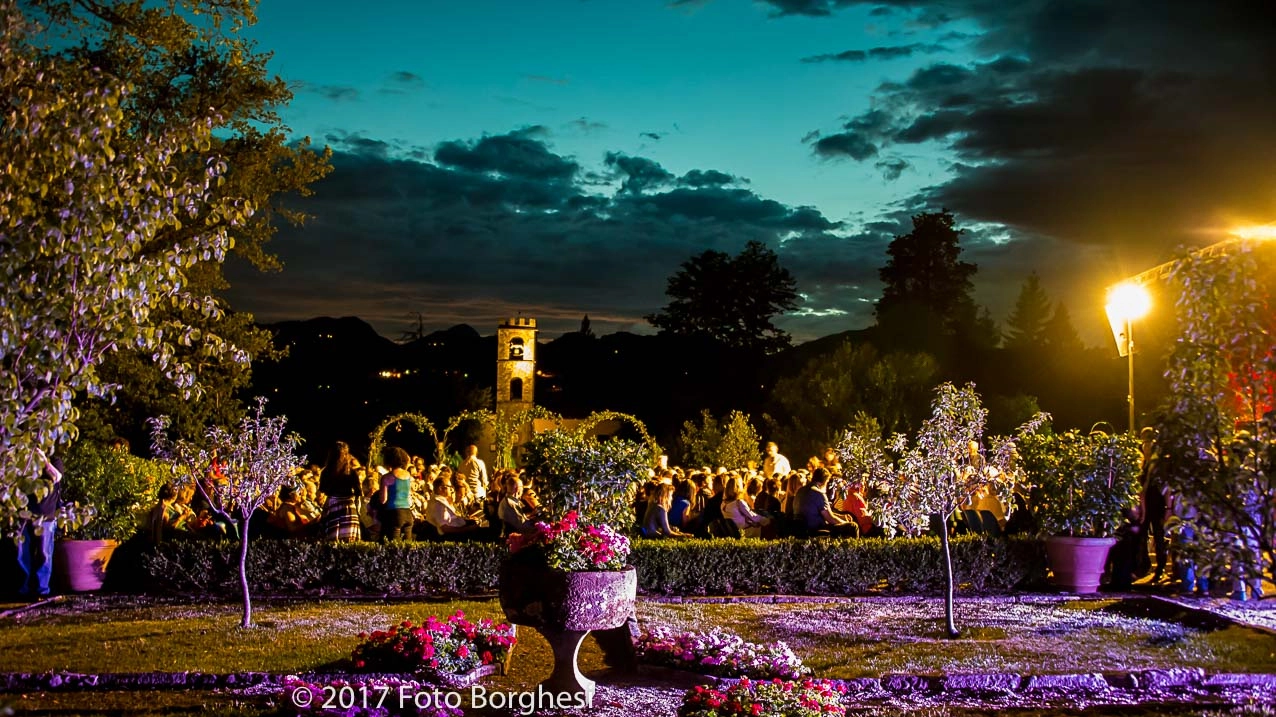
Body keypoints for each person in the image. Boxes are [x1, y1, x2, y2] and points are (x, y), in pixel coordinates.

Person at [16, 453, 63, 599]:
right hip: (23, 513)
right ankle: (23, 590)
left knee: (44, 554)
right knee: (21, 554)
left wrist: (42, 458)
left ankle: (42, 590)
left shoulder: (54, 459)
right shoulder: (24, 457)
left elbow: (56, 477)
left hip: (46, 514)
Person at [320, 441, 362, 542]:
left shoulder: (326, 471)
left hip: (333, 504)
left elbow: (323, 489)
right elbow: (358, 491)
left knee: (333, 537)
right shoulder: (351, 471)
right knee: (349, 538)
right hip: (348, 505)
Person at [795, 468, 858, 536]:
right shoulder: (818, 493)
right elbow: (830, 518)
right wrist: (845, 523)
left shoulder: (800, 491)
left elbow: (820, 512)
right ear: (825, 481)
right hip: (816, 529)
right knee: (853, 526)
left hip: (802, 529)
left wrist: (841, 516)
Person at [378, 446, 415, 541]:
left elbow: (383, 500)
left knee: (394, 546)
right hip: (408, 513)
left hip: (394, 514)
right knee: (408, 546)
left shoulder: (386, 477)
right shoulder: (408, 475)